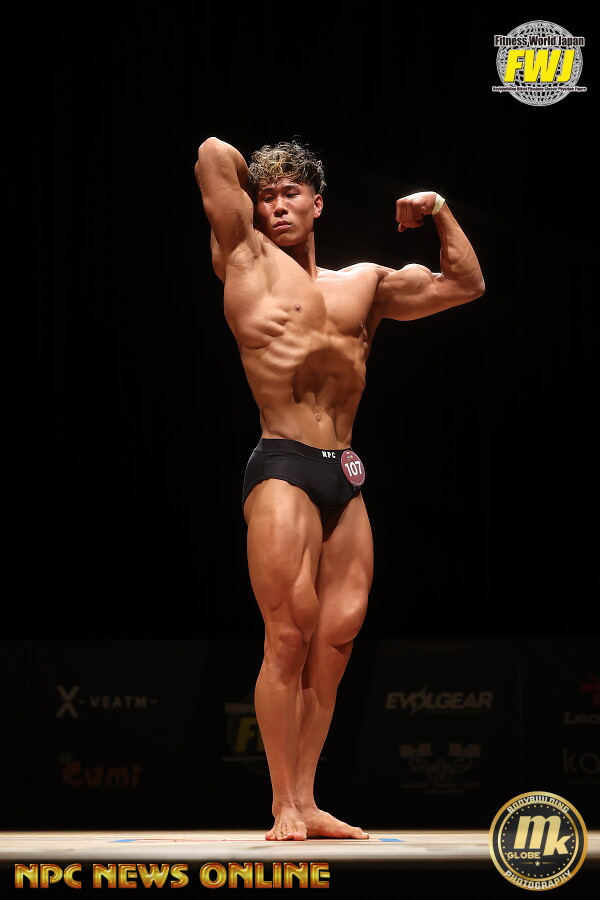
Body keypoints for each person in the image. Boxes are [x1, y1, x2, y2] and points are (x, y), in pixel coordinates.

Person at [194, 137, 485, 841]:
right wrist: (258, 177)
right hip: (282, 464)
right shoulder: (244, 258)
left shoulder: (363, 284)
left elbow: (465, 284)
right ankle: (280, 805)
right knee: (288, 635)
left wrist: (438, 209)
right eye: (267, 196)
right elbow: (211, 154)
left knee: (335, 641)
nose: (276, 206)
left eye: (291, 193)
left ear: (319, 204)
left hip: (344, 473)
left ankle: (308, 798)